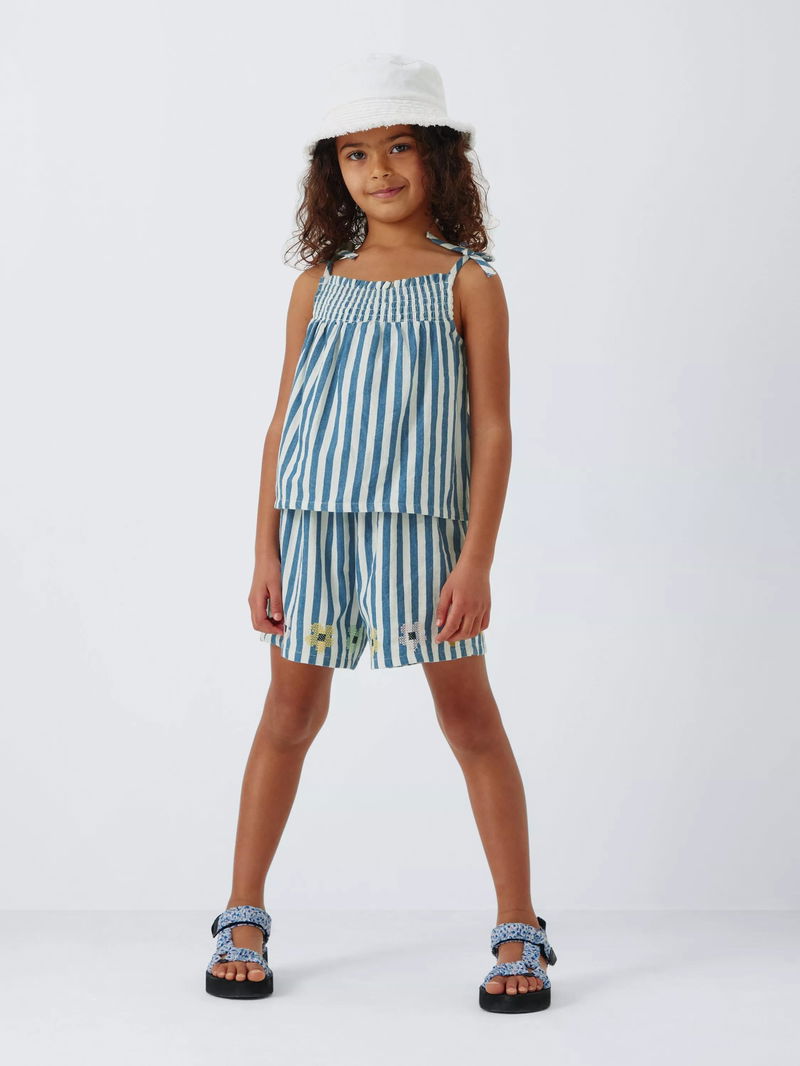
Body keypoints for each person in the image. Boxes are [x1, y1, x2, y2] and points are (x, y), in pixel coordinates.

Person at [205, 52, 558, 1014]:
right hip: (314, 528)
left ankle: (519, 926)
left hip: (422, 536)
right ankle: (243, 912)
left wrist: (476, 559)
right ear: (335, 171)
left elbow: (493, 429)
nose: (379, 169)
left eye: (398, 146)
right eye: (356, 153)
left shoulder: (468, 283)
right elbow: (283, 421)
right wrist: (265, 547)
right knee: (288, 715)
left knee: (470, 719)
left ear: (439, 157)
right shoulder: (318, 283)